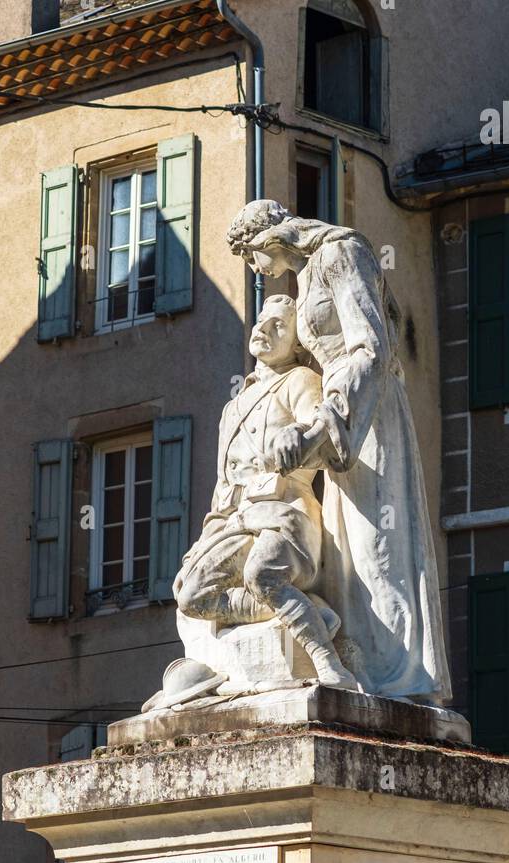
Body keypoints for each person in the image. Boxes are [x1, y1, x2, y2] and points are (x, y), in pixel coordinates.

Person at [226, 200, 452, 705]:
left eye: (252, 260)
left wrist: (324, 421)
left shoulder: (342, 252)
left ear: (266, 240)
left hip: (366, 411)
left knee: (380, 547)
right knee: (348, 559)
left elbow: (369, 348)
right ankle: (366, 674)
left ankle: (403, 684)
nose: (258, 272)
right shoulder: (305, 278)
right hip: (337, 423)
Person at [173, 294, 357, 691]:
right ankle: (301, 611)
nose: (263, 329)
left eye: (279, 327)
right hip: (235, 521)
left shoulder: (301, 380)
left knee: (262, 574)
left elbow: (320, 425)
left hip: (286, 511)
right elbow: (224, 487)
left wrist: (298, 431)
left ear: (296, 345)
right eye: (262, 321)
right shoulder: (232, 407)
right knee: (191, 597)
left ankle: (325, 659)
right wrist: (205, 540)